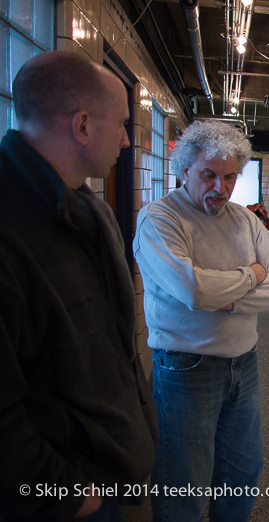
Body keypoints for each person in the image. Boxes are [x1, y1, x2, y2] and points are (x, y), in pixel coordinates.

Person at [0, 51, 158, 521]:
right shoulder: (11, 228)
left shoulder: (91, 209)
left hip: (106, 474)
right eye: (122, 124)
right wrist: (68, 493)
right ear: (83, 126)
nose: (129, 141)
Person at [133, 121, 269, 522]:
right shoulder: (160, 219)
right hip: (186, 368)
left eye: (229, 177)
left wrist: (230, 303)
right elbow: (194, 291)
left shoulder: (246, 221)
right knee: (184, 483)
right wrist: (252, 275)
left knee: (242, 471)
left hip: (244, 363)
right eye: (208, 174)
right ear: (184, 170)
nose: (219, 187)